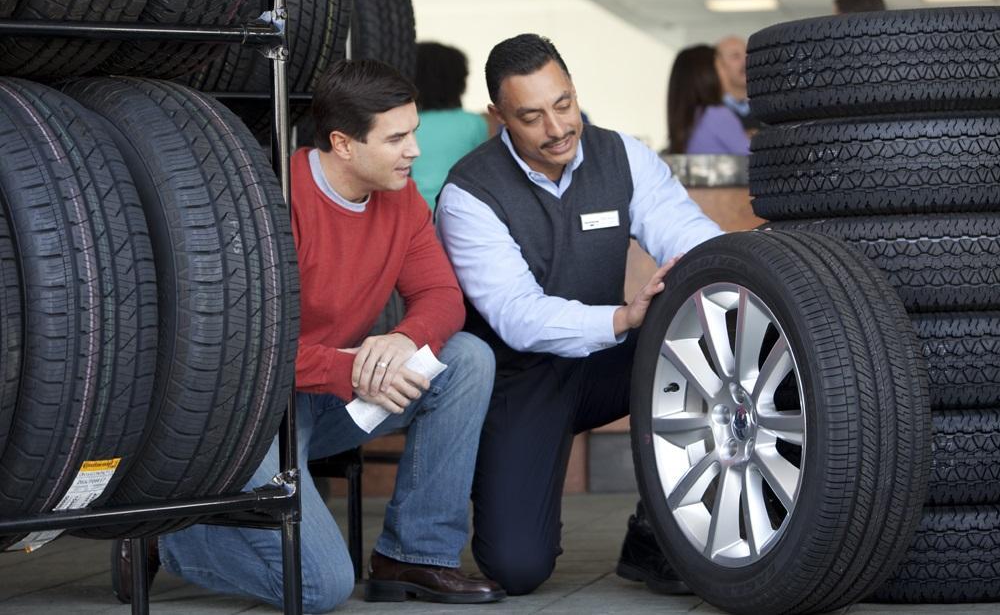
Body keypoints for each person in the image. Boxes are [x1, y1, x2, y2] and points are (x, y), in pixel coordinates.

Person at [111, 59, 504, 612]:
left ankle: (415, 555)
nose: (414, 149)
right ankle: (169, 535)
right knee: (322, 587)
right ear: (343, 143)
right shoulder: (270, 199)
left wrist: (399, 341)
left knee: (466, 360)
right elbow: (242, 349)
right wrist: (349, 370)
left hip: (330, 398)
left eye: (411, 131)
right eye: (397, 138)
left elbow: (443, 298)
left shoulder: (402, 199)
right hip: (252, 416)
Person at [435, 33, 724, 596]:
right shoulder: (469, 194)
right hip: (519, 381)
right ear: (499, 117)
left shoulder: (622, 156)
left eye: (563, 103)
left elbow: (690, 239)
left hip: (603, 367)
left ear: (573, 89)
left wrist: (728, 272)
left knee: (701, 328)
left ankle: (655, 531)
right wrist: (619, 319)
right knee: (518, 568)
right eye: (533, 116)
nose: (557, 127)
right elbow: (518, 316)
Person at [411, 42, 490, 212]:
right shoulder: (474, 123)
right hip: (456, 211)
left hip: (411, 211)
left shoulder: (405, 124)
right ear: (459, 81)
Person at [666, 44, 749, 155]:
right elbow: (756, 160)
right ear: (707, 73)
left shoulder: (691, 116)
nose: (728, 72)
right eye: (722, 66)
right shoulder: (717, 115)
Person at [714, 35, 760, 132]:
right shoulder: (711, 112)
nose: (745, 61)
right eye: (736, 56)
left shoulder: (766, 108)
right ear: (719, 65)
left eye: (747, 55)